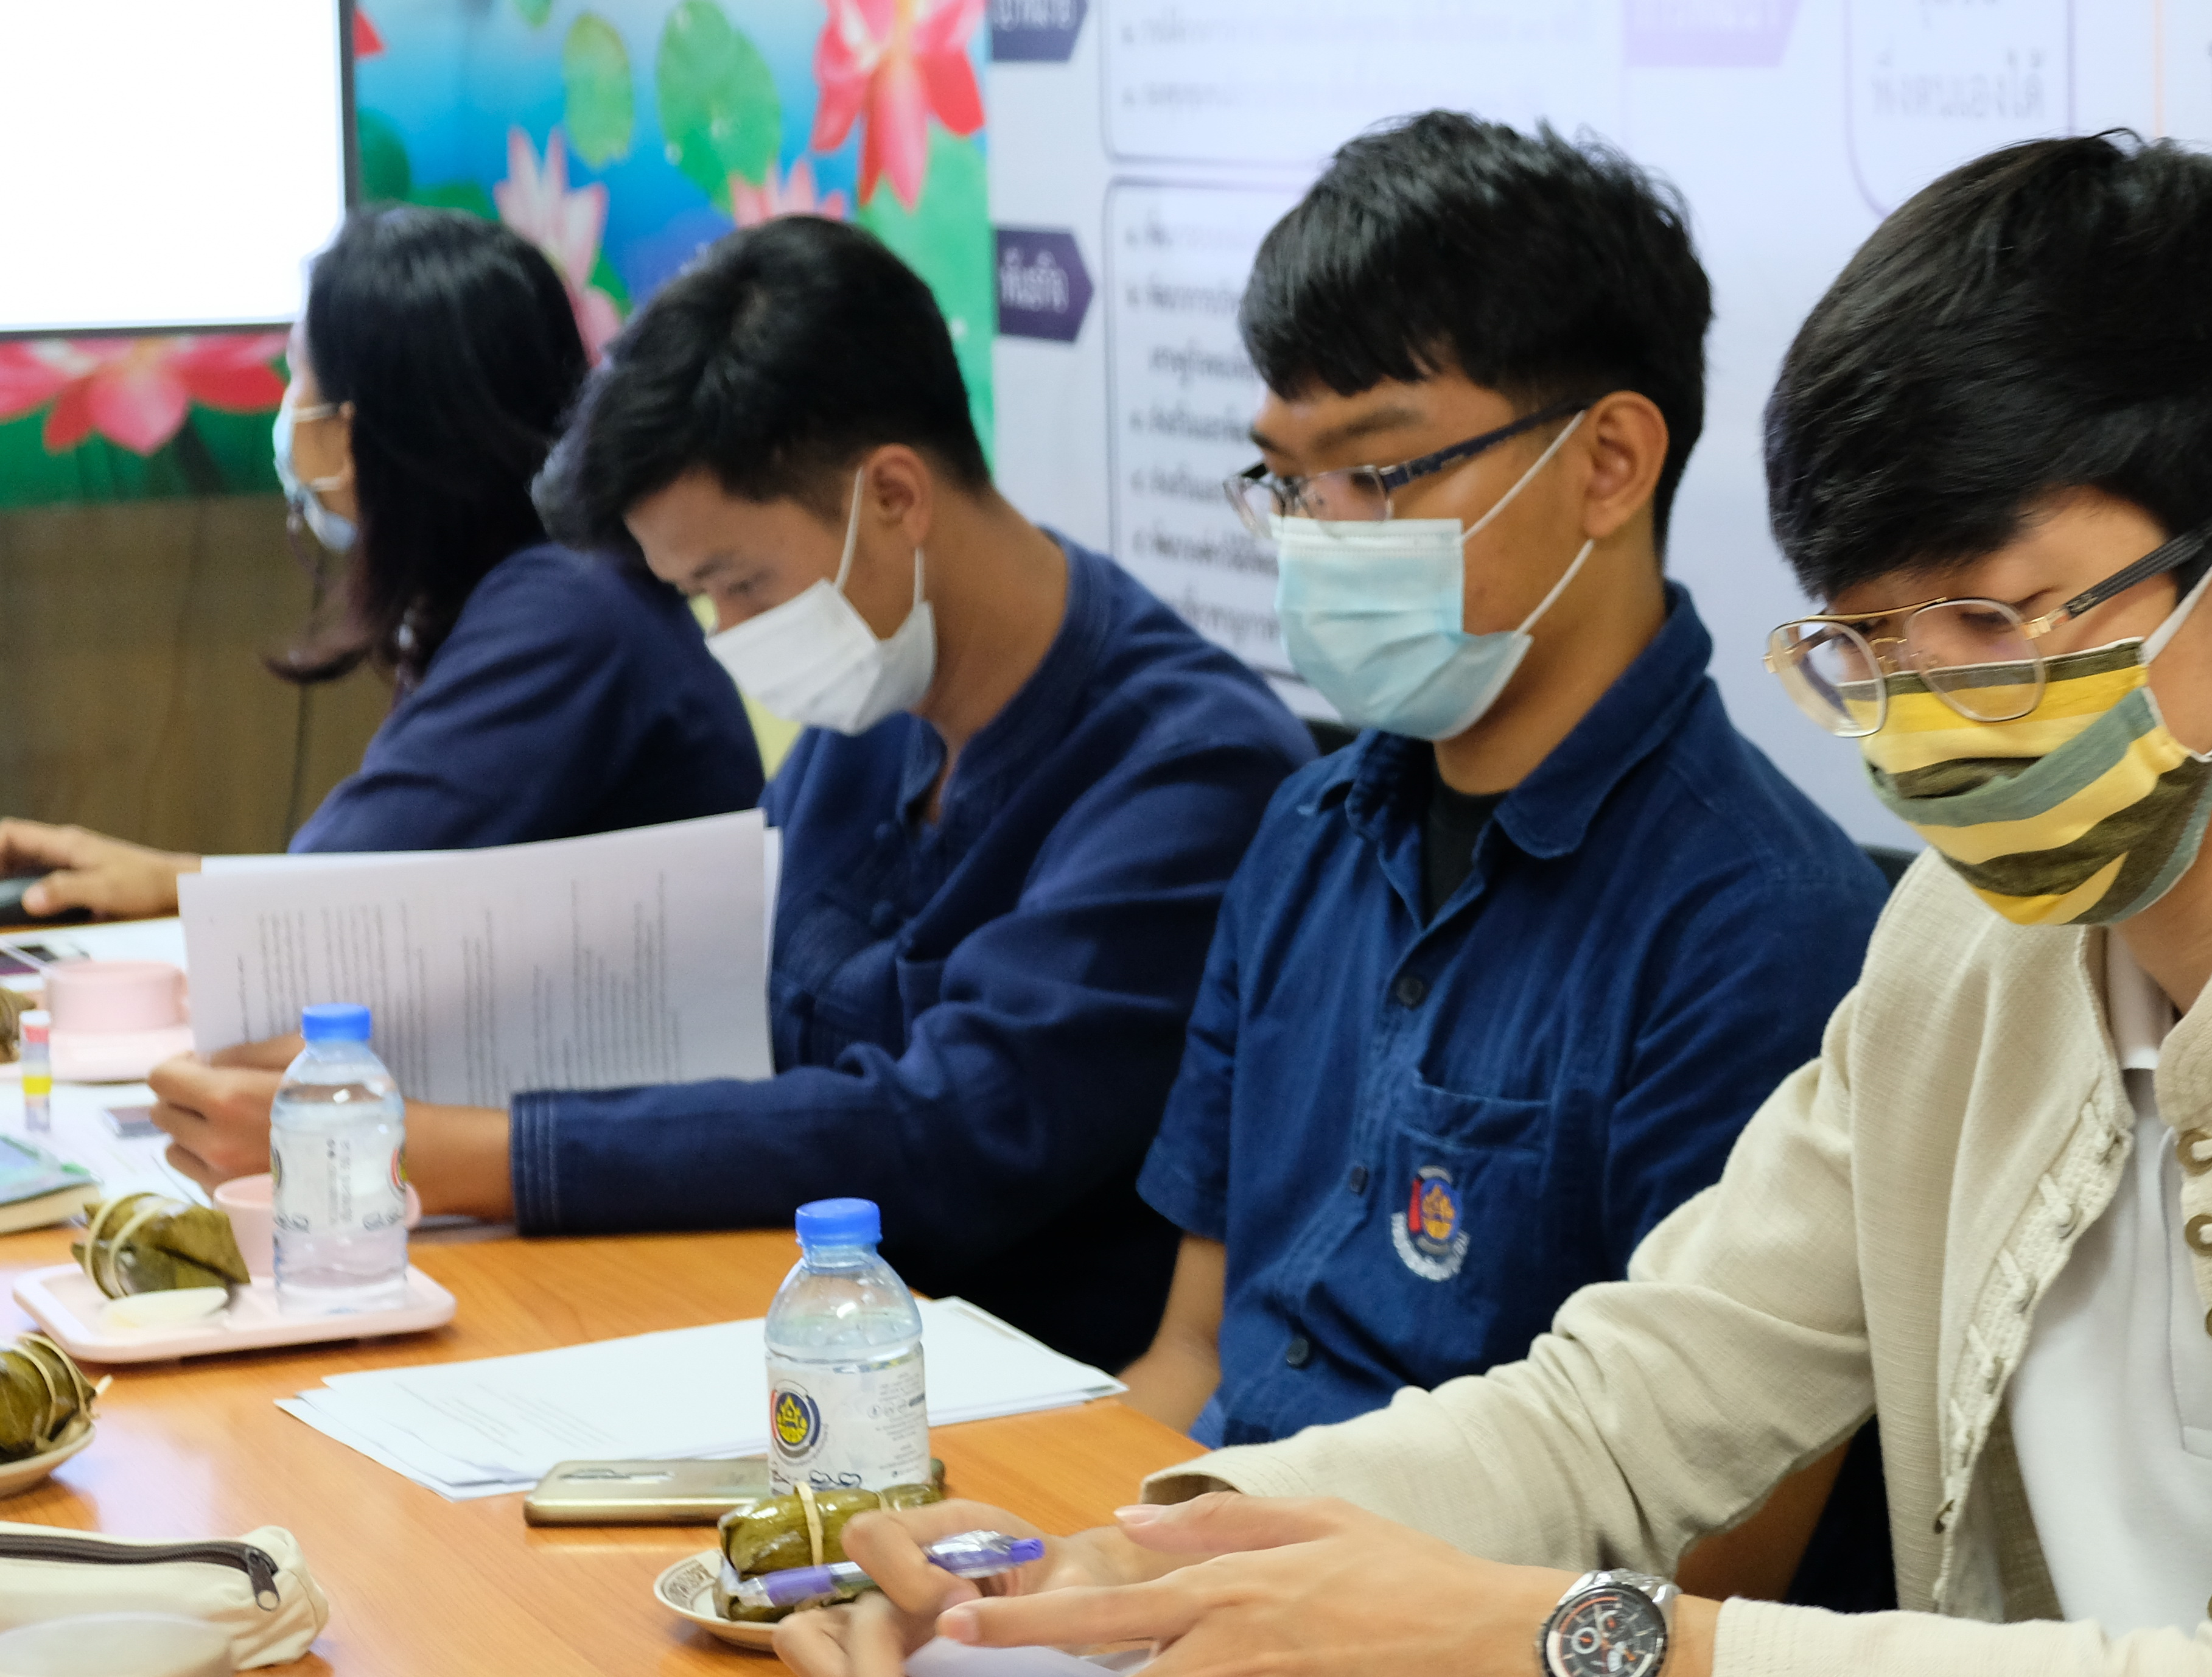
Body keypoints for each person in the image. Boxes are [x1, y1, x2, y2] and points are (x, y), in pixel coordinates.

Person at [779, 137, 2212, 1677]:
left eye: (1993, 626)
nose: (1924, 718)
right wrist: (1099, 1570)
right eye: (1868, 647)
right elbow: (1625, 1405)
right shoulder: (1974, 946)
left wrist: (1551, 1634)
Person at [147, 217, 1312, 1370]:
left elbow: (947, 1135)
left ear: (895, 497)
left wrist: (460, 1152)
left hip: (1005, 1388)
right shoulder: (875, 709)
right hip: (758, 1319)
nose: (730, 636)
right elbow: (730, 1003)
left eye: (741, 583)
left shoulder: (1189, 771)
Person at [1116, 110, 1885, 1494]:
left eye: (1381, 472)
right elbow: (1190, 1359)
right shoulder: (1305, 835)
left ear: (1608, 463)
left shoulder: (1764, 926)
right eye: (1289, 481)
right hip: (1201, 1554)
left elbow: (1713, 1529)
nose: (1321, 533)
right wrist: (1046, 1573)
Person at [0, 206, 763, 914]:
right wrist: (171, 882)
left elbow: (339, 900)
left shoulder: (565, 615)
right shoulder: (543, 589)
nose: (291, 407)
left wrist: (181, 885)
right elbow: (355, 876)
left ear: (368, 429)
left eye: (303, 374)